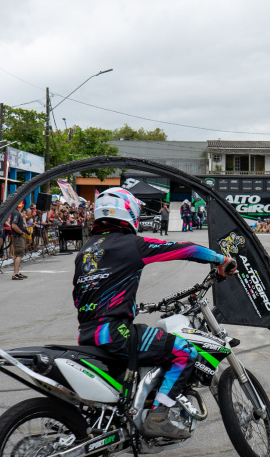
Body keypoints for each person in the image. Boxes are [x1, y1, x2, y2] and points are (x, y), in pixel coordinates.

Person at [73, 187, 236, 439]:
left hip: (87, 334)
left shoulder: (85, 251)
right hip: (116, 332)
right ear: (128, 212)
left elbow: (79, 297)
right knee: (184, 351)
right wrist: (220, 260)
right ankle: (159, 414)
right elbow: (186, 249)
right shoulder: (132, 244)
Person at [9, 205, 28, 280]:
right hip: (17, 236)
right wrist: (21, 232)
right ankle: (15, 273)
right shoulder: (16, 213)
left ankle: (17, 272)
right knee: (19, 254)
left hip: (18, 236)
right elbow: (14, 225)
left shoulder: (16, 213)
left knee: (19, 254)